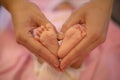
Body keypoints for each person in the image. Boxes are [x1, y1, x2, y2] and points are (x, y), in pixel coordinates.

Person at [0, 0, 114, 71]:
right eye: (61, 5)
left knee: (42, 57)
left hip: (59, 27)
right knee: (79, 53)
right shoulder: (47, 11)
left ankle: (50, 56)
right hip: (61, 25)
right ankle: (74, 60)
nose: (65, 5)